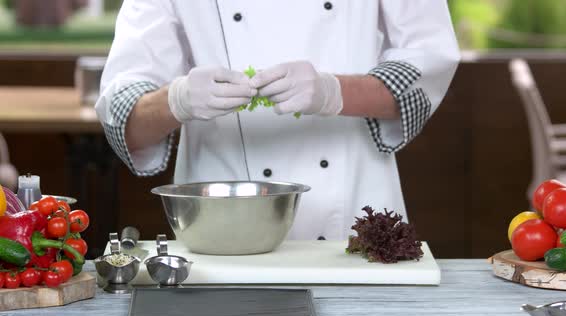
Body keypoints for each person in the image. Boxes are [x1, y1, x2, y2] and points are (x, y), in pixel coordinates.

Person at [96, 1, 460, 241]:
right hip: (222, 226)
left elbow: (427, 69)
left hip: (352, 213)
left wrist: (333, 92)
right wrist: (177, 100)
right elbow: (124, 120)